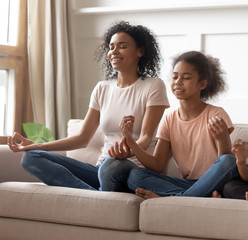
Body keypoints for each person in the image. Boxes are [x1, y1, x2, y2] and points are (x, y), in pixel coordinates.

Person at [7, 21, 169, 191]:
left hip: (130, 170)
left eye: (122, 46)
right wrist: (38, 145)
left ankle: (98, 198)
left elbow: (145, 138)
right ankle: (95, 196)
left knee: (112, 165)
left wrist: (128, 153)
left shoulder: (153, 86)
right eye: (111, 47)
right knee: (31, 158)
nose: (114, 51)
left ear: (140, 51)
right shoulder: (102, 88)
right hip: (101, 170)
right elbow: (82, 138)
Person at [119, 50, 239, 199]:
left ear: (202, 84)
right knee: (135, 176)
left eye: (186, 78)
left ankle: (174, 199)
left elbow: (224, 164)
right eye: (175, 77)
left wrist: (222, 139)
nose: (178, 82)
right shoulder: (169, 118)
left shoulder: (216, 114)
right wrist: (131, 141)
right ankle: (194, 197)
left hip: (215, 183)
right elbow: (157, 165)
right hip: (188, 184)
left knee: (229, 160)